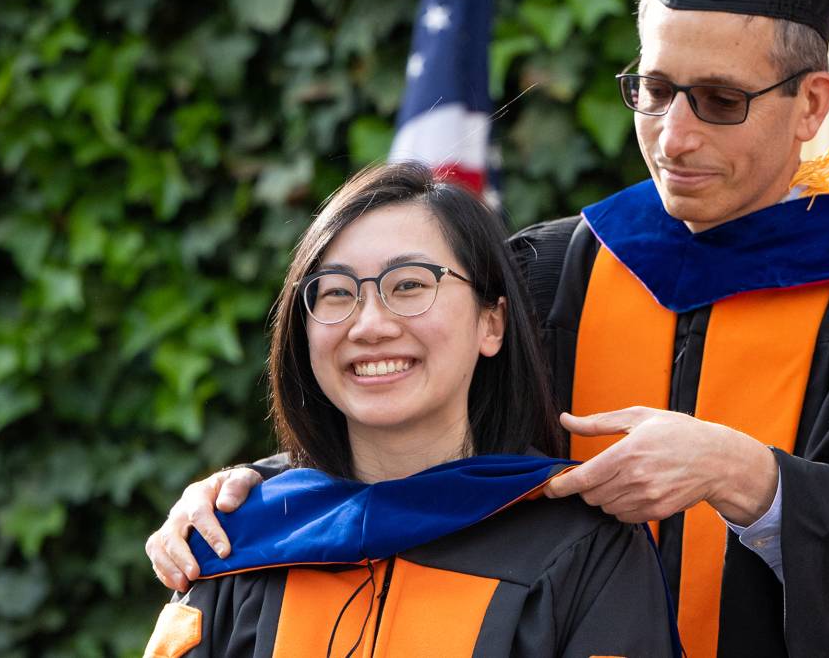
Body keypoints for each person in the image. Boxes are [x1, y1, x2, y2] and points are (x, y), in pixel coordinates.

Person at [148, 0, 829, 658]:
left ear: (814, 103)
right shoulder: (553, 272)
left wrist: (752, 483)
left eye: (719, 100)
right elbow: (421, 450)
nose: (674, 135)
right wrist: (254, 495)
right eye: (654, 89)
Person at [141, 163, 679, 657]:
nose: (370, 325)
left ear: (491, 323)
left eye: (410, 285)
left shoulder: (584, 551)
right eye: (335, 293)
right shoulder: (239, 540)